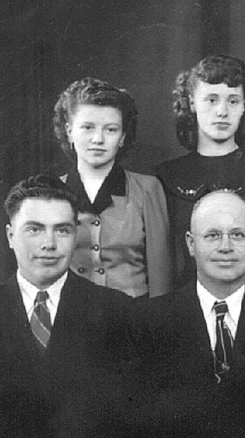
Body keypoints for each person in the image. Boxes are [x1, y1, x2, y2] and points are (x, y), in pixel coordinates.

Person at [128, 190, 245, 438]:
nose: (226, 247)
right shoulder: (148, 323)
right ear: (190, 244)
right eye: (212, 235)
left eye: (237, 235)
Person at [0, 174, 133, 438]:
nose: (49, 244)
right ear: (10, 236)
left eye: (62, 230)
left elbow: (129, 425)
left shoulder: (116, 311)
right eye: (34, 230)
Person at [157, 55, 245, 300]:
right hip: (184, 312)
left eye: (233, 101)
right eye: (211, 100)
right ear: (191, 103)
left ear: (244, 107)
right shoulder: (165, 177)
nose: (222, 111)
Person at [54, 77, 172, 298]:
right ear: (70, 131)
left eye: (110, 130)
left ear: (122, 137)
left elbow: (161, 279)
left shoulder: (147, 189)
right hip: (72, 321)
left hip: (134, 321)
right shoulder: (52, 193)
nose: (98, 139)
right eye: (87, 128)